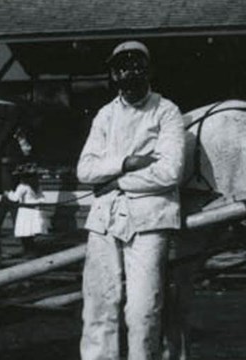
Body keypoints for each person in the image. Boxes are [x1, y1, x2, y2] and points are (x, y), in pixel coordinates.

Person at [77, 40, 186, 360]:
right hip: (104, 220)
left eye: (137, 65)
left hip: (149, 220)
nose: (130, 72)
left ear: (149, 70)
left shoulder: (166, 112)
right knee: (99, 305)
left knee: (143, 309)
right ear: (113, 73)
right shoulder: (105, 115)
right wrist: (125, 163)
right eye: (122, 67)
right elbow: (85, 170)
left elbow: (169, 172)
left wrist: (114, 182)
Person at [5, 167, 49, 253]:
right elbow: (42, 198)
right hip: (34, 211)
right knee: (31, 230)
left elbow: (15, 198)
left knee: (24, 230)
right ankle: (31, 248)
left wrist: (8, 193)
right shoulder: (36, 185)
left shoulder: (22, 186)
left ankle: (28, 249)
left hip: (25, 211)